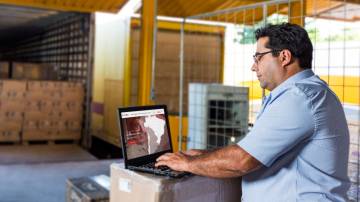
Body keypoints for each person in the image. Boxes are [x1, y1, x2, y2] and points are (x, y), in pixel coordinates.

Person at [155, 23, 350, 201]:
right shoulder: (306, 92)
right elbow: (254, 151)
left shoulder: (299, 98)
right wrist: (201, 156)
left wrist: (187, 164)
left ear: (284, 57)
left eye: (258, 57)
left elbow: (242, 161)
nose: (253, 66)